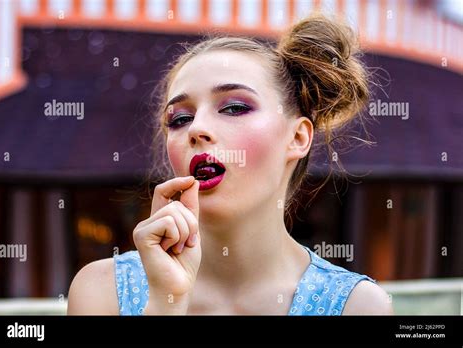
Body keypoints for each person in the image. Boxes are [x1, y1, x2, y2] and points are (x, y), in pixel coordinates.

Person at [68, 15, 393, 316]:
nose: (196, 129)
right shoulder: (102, 291)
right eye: (180, 119)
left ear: (297, 137)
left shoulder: (358, 306)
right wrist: (166, 303)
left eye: (235, 108)